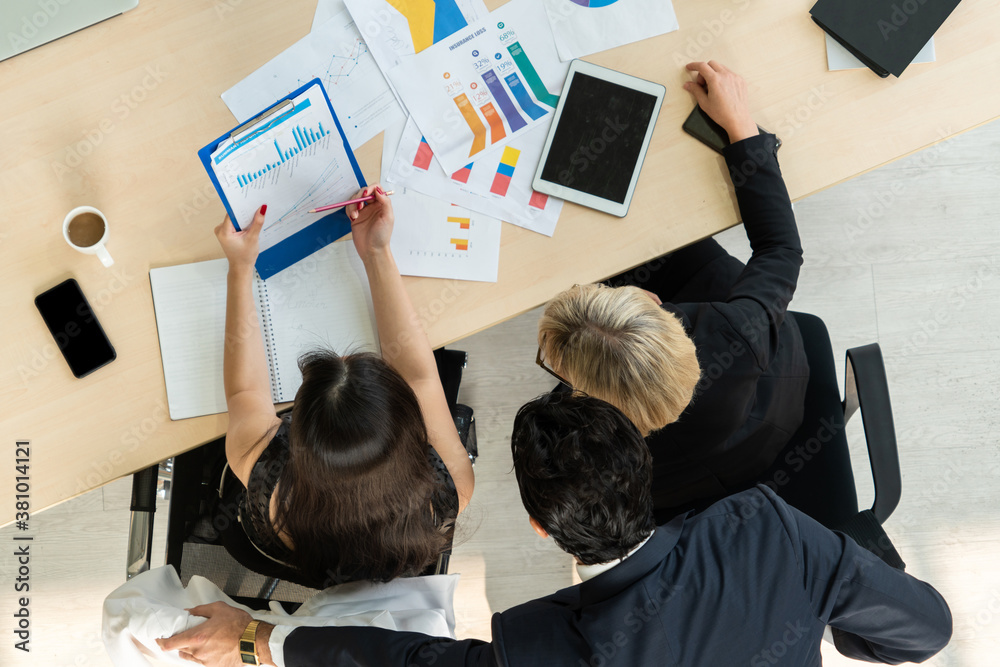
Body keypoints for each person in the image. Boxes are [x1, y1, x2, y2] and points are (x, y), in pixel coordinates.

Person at [157, 392, 952, 667]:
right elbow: (925, 629)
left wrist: (260, 641)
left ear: (538, 527)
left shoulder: (547, 648)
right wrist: (825, 601)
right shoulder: (767, 529)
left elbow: (402, 659)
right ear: (643, 462)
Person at [537, 61, 809, 522]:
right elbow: (781, 249)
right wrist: (741, 125)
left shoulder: (588, 452)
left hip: (712, 458)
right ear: (661, 309)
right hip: (753, 418)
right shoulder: (735, 333)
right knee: (655, 226)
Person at [212, 185, 474, 589]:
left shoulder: (266, 474)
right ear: (411, 422)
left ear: (296, 433)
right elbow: (419, 375)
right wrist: (376, 252)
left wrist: (240, 269)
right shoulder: (449, 485)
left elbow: (244, 392)